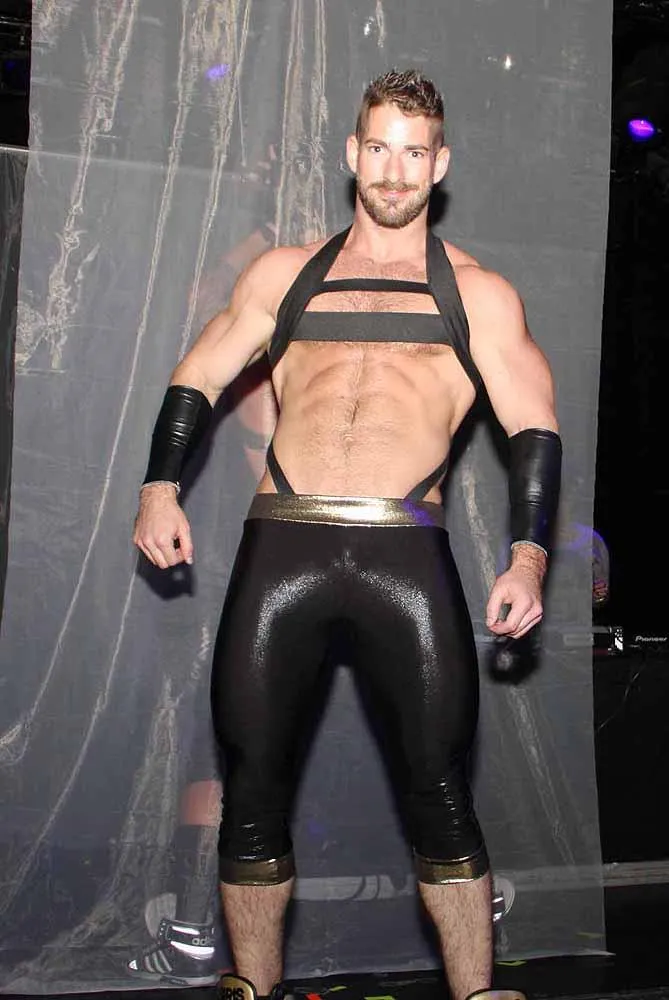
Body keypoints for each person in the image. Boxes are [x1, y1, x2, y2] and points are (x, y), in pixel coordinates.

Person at [133, 69, 561, 1000]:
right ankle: (252, 988)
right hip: (281, 548)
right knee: (251, 794)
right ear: (351, 155)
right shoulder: (282, 275)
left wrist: (528, 558)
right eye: (378, 147)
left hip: (404, 554)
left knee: (440, 796)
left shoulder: (478, 294)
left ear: (438, 165)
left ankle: (476, 994)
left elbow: (533, 426)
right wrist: (159, 488)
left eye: (413, 151)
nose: (394, 170)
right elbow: (198, 375)